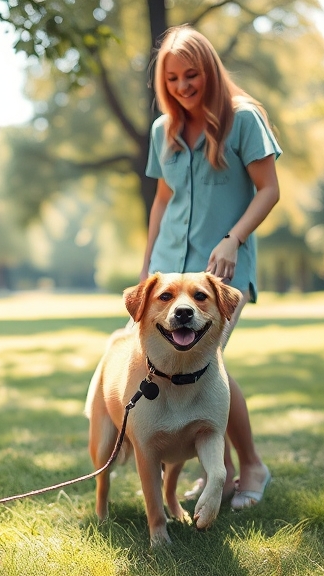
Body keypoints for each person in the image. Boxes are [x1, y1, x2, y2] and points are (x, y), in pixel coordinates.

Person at [140, 24, 280, 510]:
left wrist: (233, 239)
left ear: (210, 72)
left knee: (209, 366)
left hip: (220, 276)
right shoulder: (162, 131)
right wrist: (147, 266)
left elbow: (269, 189)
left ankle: (251, 466)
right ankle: (211, 468)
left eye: (192, 75)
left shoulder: (244, 120)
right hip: (167, 273)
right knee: (170, 370)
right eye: (172, 78)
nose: (182, 86)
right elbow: (162, 200)